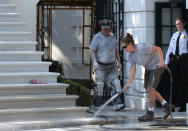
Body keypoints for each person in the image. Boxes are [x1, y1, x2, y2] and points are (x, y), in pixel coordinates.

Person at [122, 33, 172, 121]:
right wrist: (128, 84)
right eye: (123, 48)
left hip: (157, 66)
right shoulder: (131, 55)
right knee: (147, 88)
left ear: (130, 44)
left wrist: (161, 62)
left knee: (150, 89)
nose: (124, 49)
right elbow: (133, 70)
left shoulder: (141, 47)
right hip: (148, 68)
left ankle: (150, 113)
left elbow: (158, 49)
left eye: (125, 47)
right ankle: (166, 105)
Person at [89, 19, 125, 111]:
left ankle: (117, 104)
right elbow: (92, 51)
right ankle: (96, 104)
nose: (106, 30)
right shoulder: (97, 37)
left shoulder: (112, 37)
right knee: (100, 86)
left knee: (116, 84)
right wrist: (94, 63)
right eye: (104, 29)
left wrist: (119, 63)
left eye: (108, 28)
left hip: (111, 66)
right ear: (101, 29)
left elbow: (116, 51)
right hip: (100, 67)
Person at [165, 17, 188, 112]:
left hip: (184, 60)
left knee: (184, 82)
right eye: (176, 24)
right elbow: (170, 48)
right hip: (175, 60)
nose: (178, 26)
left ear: (184, 24)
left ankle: (183, 105)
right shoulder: (174, 35)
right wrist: (166, 62)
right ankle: (172, 105)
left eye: (179, 24)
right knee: (173, 82)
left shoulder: (186, 34)